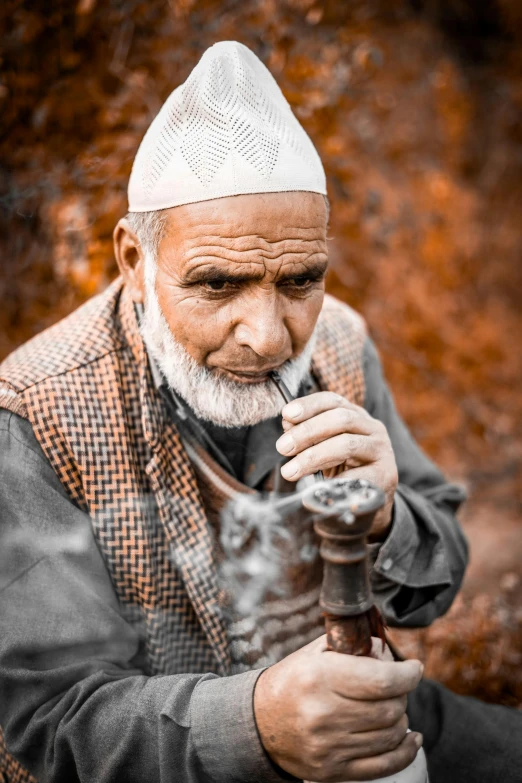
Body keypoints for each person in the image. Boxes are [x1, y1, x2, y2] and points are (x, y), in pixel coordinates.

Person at [0, 41, 519, 783]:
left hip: (370, 714)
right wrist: (258, 723)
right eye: (217, 285)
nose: (271, 337)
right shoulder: (34, 413)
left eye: (300, 279)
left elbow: (438, 571)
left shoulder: (337, 337)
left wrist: (388, 519)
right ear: (132, 262)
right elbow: (54, 725)